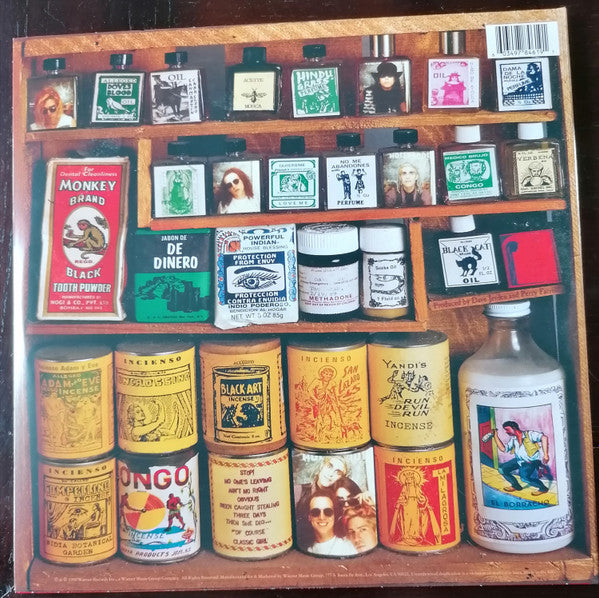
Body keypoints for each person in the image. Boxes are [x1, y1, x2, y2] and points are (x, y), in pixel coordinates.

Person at [490, 420, 551, 496]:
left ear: (514, 428)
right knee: (502, 469)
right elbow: (503, 449)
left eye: (507, 429)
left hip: (531, 461)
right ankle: (516, 486)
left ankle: (543, 488)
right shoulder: (513, 439)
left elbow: (544, 438)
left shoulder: (529, 434)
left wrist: (546, 455)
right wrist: (495, 436)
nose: (506, 432)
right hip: (519, 460)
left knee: (524, 478)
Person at [390, 468, 442, 547]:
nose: (409, 481)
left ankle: (415, 534)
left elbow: (422, 497)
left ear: (413, 480)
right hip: (406, 506)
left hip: (415, 504)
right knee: (406, 519)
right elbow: (401, 496)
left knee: (415, 519)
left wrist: (423, 501)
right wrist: (401, 501)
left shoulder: (417, 488)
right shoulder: (405, 488)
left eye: (410, 479)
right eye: (408, 479)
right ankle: (406, 535)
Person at [306, 489, 356, 556]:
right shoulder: (307, 551)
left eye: (328, 512)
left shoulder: (351, 545)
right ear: (309, 517)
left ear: (334, 515)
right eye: (315, 512)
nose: (322, 517)